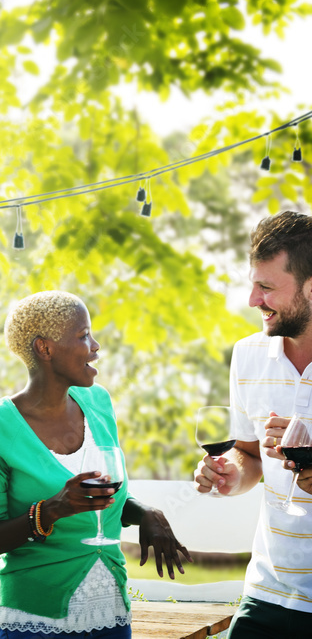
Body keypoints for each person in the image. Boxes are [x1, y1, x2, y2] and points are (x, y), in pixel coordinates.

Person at [0, 291, 191, 639]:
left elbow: (101, 496)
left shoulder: (98, 402)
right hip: (33, 621)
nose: (96, 345)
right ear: (45, 348)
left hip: (110, 612)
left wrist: (145, 511)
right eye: (83, 335)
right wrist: (52, 510)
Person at [194, 210, 312, 638]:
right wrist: (230, 473)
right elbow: (249, 454)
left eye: (266, 287)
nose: (252, 300)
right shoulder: (247, 355)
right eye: (253, 284)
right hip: (267, 592)